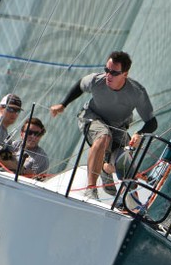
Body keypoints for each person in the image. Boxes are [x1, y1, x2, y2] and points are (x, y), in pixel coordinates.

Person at [50, 51, 157, 199]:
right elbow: (80, 85)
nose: (108, 75)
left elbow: (152, 122)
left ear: (125, 74)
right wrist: (63, 104)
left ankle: (130, 201)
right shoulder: (97, 80)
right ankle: (91, 189)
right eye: (107, 70)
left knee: (124, 161)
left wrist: (139, 133)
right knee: (103, 136)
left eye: (114, 72)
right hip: (92, 117)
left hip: (117, 126)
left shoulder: (136, 92)